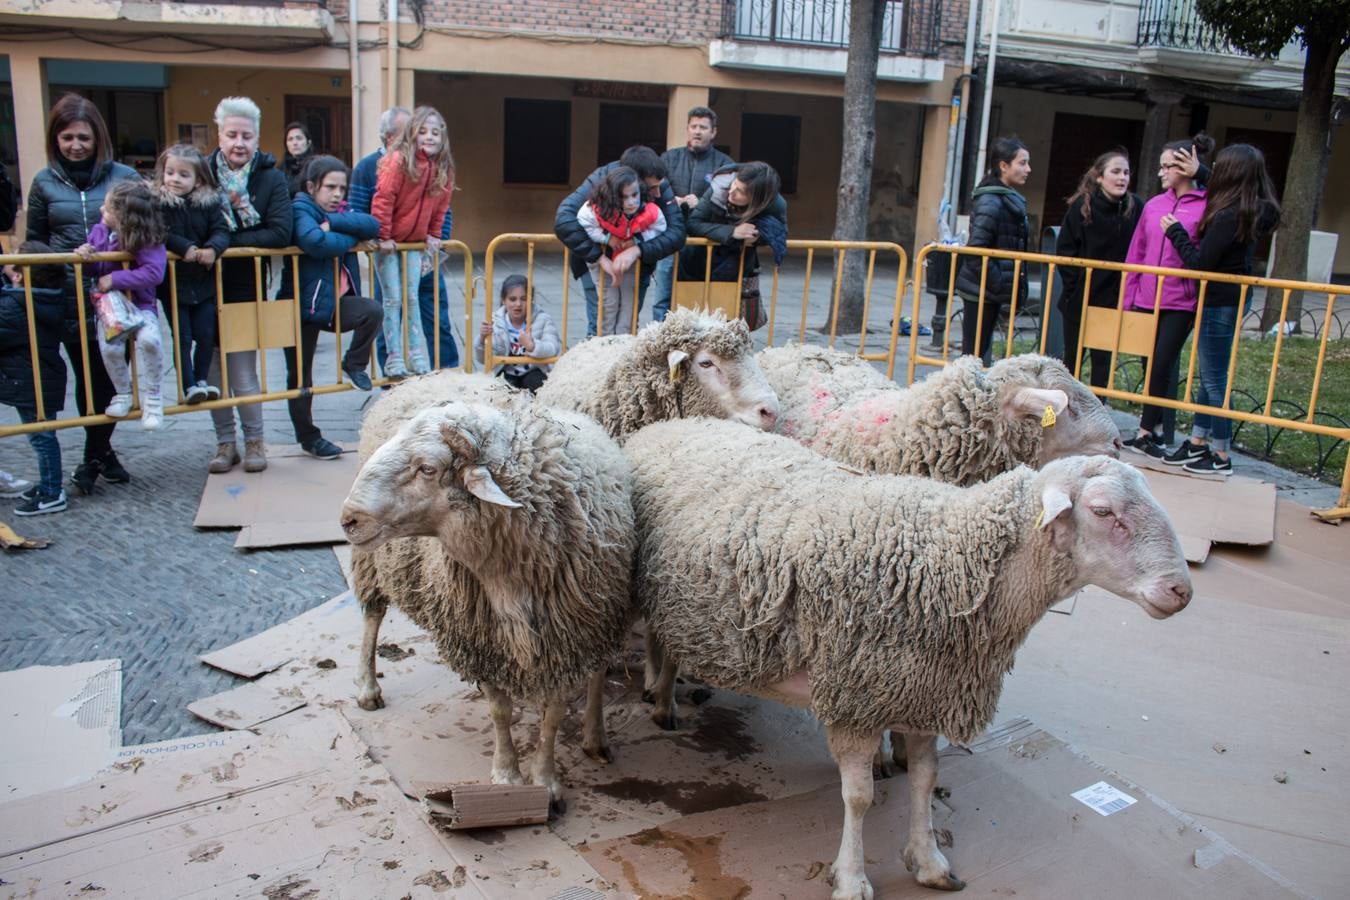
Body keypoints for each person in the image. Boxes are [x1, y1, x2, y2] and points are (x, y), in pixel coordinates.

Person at [24, 92, 139, 494]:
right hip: (72, 299)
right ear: (56, 138)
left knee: (111, 384)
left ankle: (94, 456)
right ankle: (100, 455)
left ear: (98, 138)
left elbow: (150, 227)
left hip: (119, 302)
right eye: (67, 137)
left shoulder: (124, 176)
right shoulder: (43, 182)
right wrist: (64, 256)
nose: (76, 145)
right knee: (87, 383)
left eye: (84, 138)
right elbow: (33, 242)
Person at [1157, 144, 1280, 477]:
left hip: (1219, 301)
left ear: (1230, 174)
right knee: (1210, 377)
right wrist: (1202, 174)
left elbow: (1200, 262)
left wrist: (1176, 233)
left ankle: (1221, 453)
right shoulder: (1253, 207)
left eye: (1218, 168)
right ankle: (1198, 442)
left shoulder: (1228, 216)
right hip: (1232, 298)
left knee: (1215, 380)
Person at [207, 96, 294, 474]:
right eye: (231, 135)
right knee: (211, 373)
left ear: (257, 138)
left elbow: (279, 230)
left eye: (246, 135)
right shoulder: (201, 173)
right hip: (202, 286)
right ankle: (226, 444)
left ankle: (255, 440)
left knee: (242, 370)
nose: (239, 143)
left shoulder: (271, 178)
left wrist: (221, 244)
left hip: (247, 284)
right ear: (219, 136)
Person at [1120, 133, 1214, 460]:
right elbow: (1137, 252)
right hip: (1147, 297)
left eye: (1168, 166)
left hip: (1180, 301)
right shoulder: (1153, 205)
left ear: (1187, 166)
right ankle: (1154, 432)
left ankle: (1147, 431)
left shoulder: (1207, 204)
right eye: (1160, 167)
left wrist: (1205, 172)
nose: (1161, 173)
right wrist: (1130, 295)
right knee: (1150, 365)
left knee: (1162, 362)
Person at [285, 155, 383, 459]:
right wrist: (351, 239)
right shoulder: (301, 207)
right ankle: (309, 437)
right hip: (300, 306)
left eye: (342, 187)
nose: (338, 194)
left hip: (333, 303)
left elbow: (373, 224)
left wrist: (337, 225)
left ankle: (354, 363)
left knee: (372, 310)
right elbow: (314, 241)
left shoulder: (339, 213)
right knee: (300, 377)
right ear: (313, 186)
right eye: (331, 187)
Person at [351, 106, 460, 371]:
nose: (430, 137)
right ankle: (393, 358)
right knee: (391, 302)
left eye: (435, 132)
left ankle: (418, 356)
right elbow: (383, 199)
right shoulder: (396, 161)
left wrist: (435, 235)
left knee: (415, 301)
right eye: (422, 131)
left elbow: (441, 205)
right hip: (391, 245)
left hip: (415, 246)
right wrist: (383, 236)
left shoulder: (441, 166)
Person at [554, 145, 685, 337]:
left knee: (627, 327)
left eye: (659, 187)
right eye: (651, 189)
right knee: (600, 327)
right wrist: (599, 257)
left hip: (638, 267)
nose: (658, 194)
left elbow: (677, 233)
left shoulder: (658, 181)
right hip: (594, 264)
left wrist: (638, 248)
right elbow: (564, 220)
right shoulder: (602, 179)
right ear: (634, 182)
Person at [75, 180, 168, 430]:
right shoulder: (100, 231)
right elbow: (93, 268)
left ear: (124, 216)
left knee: (150, 340)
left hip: (141, 304)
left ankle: (153, 396)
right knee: (111, 348)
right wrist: (85, 256)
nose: (102, 213)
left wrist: (115, 278)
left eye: (107, 209)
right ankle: (123, 393)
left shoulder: (148, 238)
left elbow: (154, 272)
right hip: (111, 307)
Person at [1057, 150, 1141, 390]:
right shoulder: (1082, 208)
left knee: (1102, 364)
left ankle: (1098, 416)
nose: (1122, 178)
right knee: (1071, 361)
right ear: (1099, 177)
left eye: (1126, 172)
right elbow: (1065, 251)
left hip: (1113, 300)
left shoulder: (1136, 207)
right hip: (1080, 299)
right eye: (1115, 171)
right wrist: (1075, 288)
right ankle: (1059, 416)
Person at [152, 143, 229, 405]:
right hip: (174, 285)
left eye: (183, 175)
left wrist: (213, 249)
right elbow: (158, 232)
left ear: (198, 180)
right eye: (170, 172)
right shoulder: (158, 204)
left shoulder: (208, 205)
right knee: (182, 336)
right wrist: (183, 247)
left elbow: (221, 230)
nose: (175, 179)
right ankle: (187, 384)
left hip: (203, 282)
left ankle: (201, 378)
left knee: (206, 333)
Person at [0, 244, 68, 515]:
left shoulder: (16, 306)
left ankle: (52, 492)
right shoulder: (40, 297)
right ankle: (49, 485)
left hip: (31, 381)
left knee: (41, 437)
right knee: (42, 435)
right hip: (36, 377)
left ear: (19, 275)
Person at [681, 160, 787, 330]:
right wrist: (732, 232)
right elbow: (693, 224)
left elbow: (779, 232)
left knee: (730, 326)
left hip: (738, 268)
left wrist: (758, 236)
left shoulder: (775, 204)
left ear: (756, 200)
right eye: (734, 184)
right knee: (692, 323)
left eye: (741, 191)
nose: (732, 191)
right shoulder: (720, 187)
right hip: (696, 263)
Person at [654, 106, 734, 323]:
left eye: (703, 127)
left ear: (713, 132)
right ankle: (660, 343)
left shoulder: (724, 163)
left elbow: (728, 201)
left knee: (699, 298)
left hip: (704, 241)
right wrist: (673, 200)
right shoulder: (669, 158)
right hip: (670, 237)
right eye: (694, 126)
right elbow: (654, 190)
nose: (698, 131)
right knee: (663, 297)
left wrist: (702, 203)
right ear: (688, 129)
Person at [956, 136, 1031, 365]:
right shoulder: (991, 200)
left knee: (978, 352)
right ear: (1003, 166)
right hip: (981, 289)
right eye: (1022, 163)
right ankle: (964, 399)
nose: (1028, 169)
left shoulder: (1004, 198)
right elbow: (977, 249)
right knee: (973, 355)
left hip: (988, 289)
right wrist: (999, 283)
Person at [576, 166, 668, 336]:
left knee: (628, 304)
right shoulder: (595, 208)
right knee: (608, 303)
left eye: (634, 195)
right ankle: (605, 344)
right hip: (602, 259)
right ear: (612, 197)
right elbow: (583, 221)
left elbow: (660, 227)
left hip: (629, 261)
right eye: (624, 197)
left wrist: (636, 241)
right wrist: (606, 238)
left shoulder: (650, 211)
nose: (631, 202)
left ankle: (623, 344)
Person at [475, 274, 560, 392]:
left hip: (533, 372)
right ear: (503, 300)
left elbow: (553, 348)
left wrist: (532, 346)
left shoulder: (543, 319)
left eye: (523, 299)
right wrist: (482, 339)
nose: (518, 304)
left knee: (540, 388)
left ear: (531, 299)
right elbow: (483, 359)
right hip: (506, 373)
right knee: (497, 391)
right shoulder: (495, 323)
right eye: (512, 299)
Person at [282, 122, 315, 198]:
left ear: (308, 143)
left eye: (299, 138)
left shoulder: (315, 166)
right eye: (290, 139)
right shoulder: (280, 169)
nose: (295, 143)